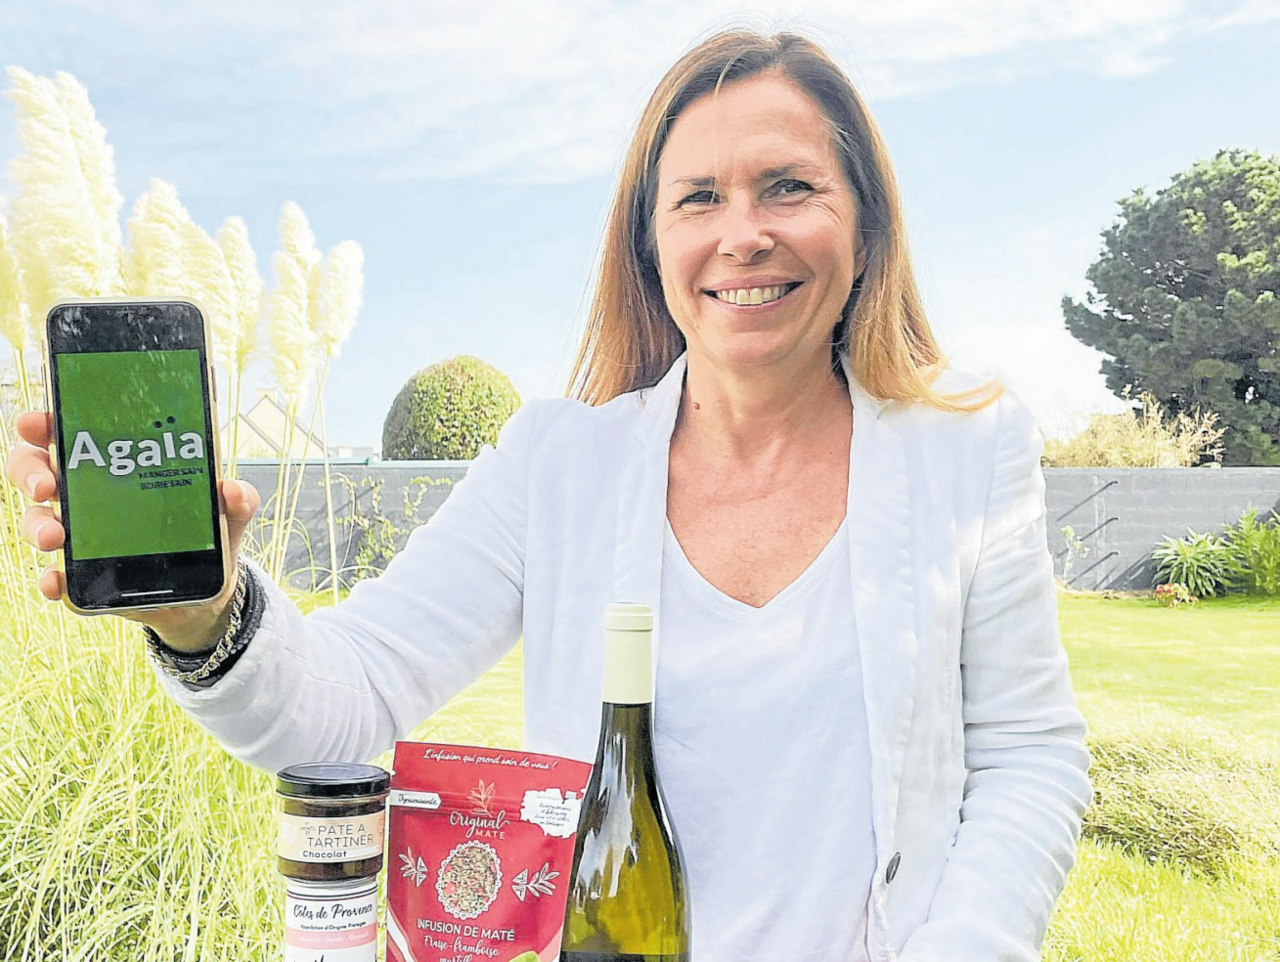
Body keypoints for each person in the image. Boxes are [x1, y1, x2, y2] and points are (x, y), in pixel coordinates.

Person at [7, 29, 1091, 962]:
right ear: (651, 246)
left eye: (789, 186)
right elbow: (343, 700)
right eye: (697, 198)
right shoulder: (557, 465)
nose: (742, 233)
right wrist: (205, 614)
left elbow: (1027, 759)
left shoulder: (966, 449)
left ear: (865, 224)